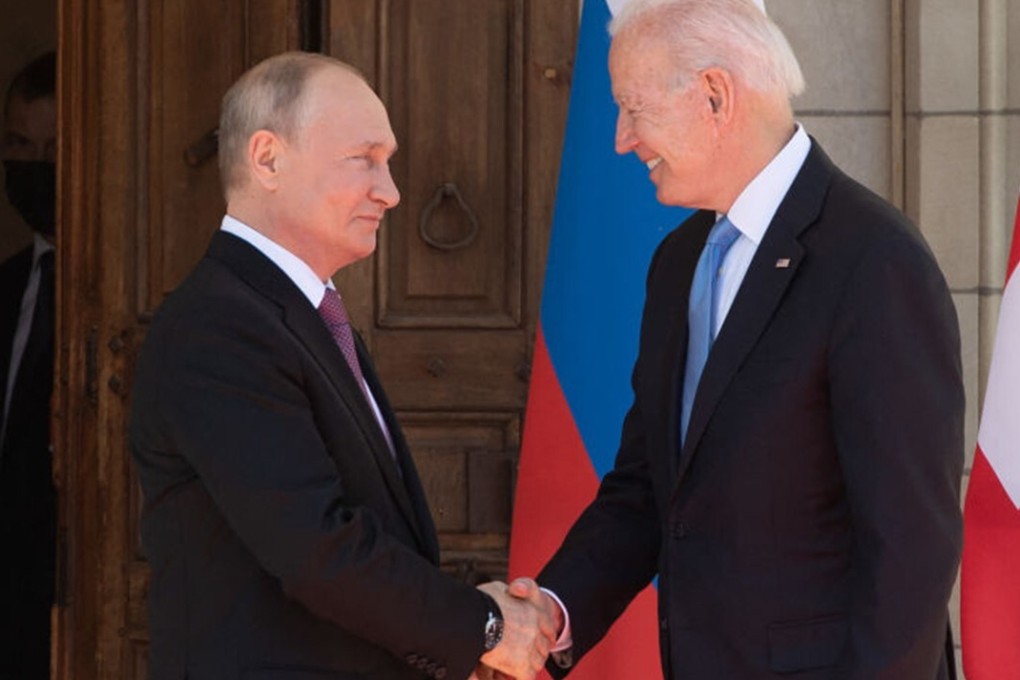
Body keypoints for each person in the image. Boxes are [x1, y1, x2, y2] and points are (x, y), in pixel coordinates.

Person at [522, 1, 966, 678]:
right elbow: (649, 488)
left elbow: (911, 551)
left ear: (715, 95)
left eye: (634, 108)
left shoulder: (875, 261)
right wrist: (552, 613)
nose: (621, 139)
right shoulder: (678, 262)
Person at [129, 52, 555, 680]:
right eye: (365, 159)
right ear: (267, 159)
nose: (391, 191)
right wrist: (482, 628)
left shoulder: (298, 312)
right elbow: (316, 547)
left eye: (389, 162)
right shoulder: (219, 325)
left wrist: (470, 626)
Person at [0, 50, 57, 680]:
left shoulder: (138, 304)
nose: (34, 167)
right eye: (19, 145)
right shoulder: (9, 285)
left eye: (53, 150)